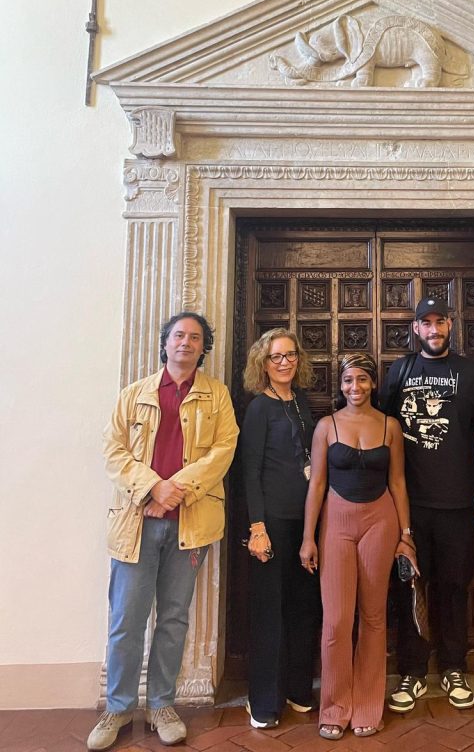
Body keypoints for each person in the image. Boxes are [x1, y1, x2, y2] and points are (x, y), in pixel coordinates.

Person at [88, 313, 238, 751]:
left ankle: (161, 705)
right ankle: (118, 708)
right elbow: (113, 451)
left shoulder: (217, 396)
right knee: (126, 620)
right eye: (179, 335)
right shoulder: (134, 395)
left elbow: (223, 450)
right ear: (166, 343)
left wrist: (175, 491)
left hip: (190, 526)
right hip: (135, 524)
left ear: (204, 347)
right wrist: (154, 487)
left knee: (173, 618)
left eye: (195, 337)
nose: (186, 343)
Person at [380, 296, 474, 714]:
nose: (433, 329)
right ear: (415, 329)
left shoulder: (472, 372)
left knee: (454, 587)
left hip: (459, 503)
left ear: (450, 324)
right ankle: (412, 671)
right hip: (409, 505)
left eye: (439, 321)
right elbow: (383, 430)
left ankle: (454, 667)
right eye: (425, 323)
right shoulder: (400, 371)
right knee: (411, 588)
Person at [300, 353, 416, 740]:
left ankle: (368, 706)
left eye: (363, 379)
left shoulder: (390, 426)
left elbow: (398, 482)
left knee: (374, 616)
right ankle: (334, 708)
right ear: (341, 384)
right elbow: (317, 483)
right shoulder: (327, 426)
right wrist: (308, 537)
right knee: (336, 620)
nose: (356, 387)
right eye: (349, 380)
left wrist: (406, 534)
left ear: (373, 383)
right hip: (336, 521)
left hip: (380, 522)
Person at [240, 328, 321, 728]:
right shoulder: (259, 408)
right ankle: (265, 702)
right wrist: (257, 527)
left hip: (305, 523)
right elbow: (249, 472)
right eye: (276, 357)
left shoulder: (301, 402)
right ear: (263, 363)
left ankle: (297, 689)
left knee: (303, 606)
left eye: (290, 355)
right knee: (270, 611)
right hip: (270, 523)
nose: (285, 362)